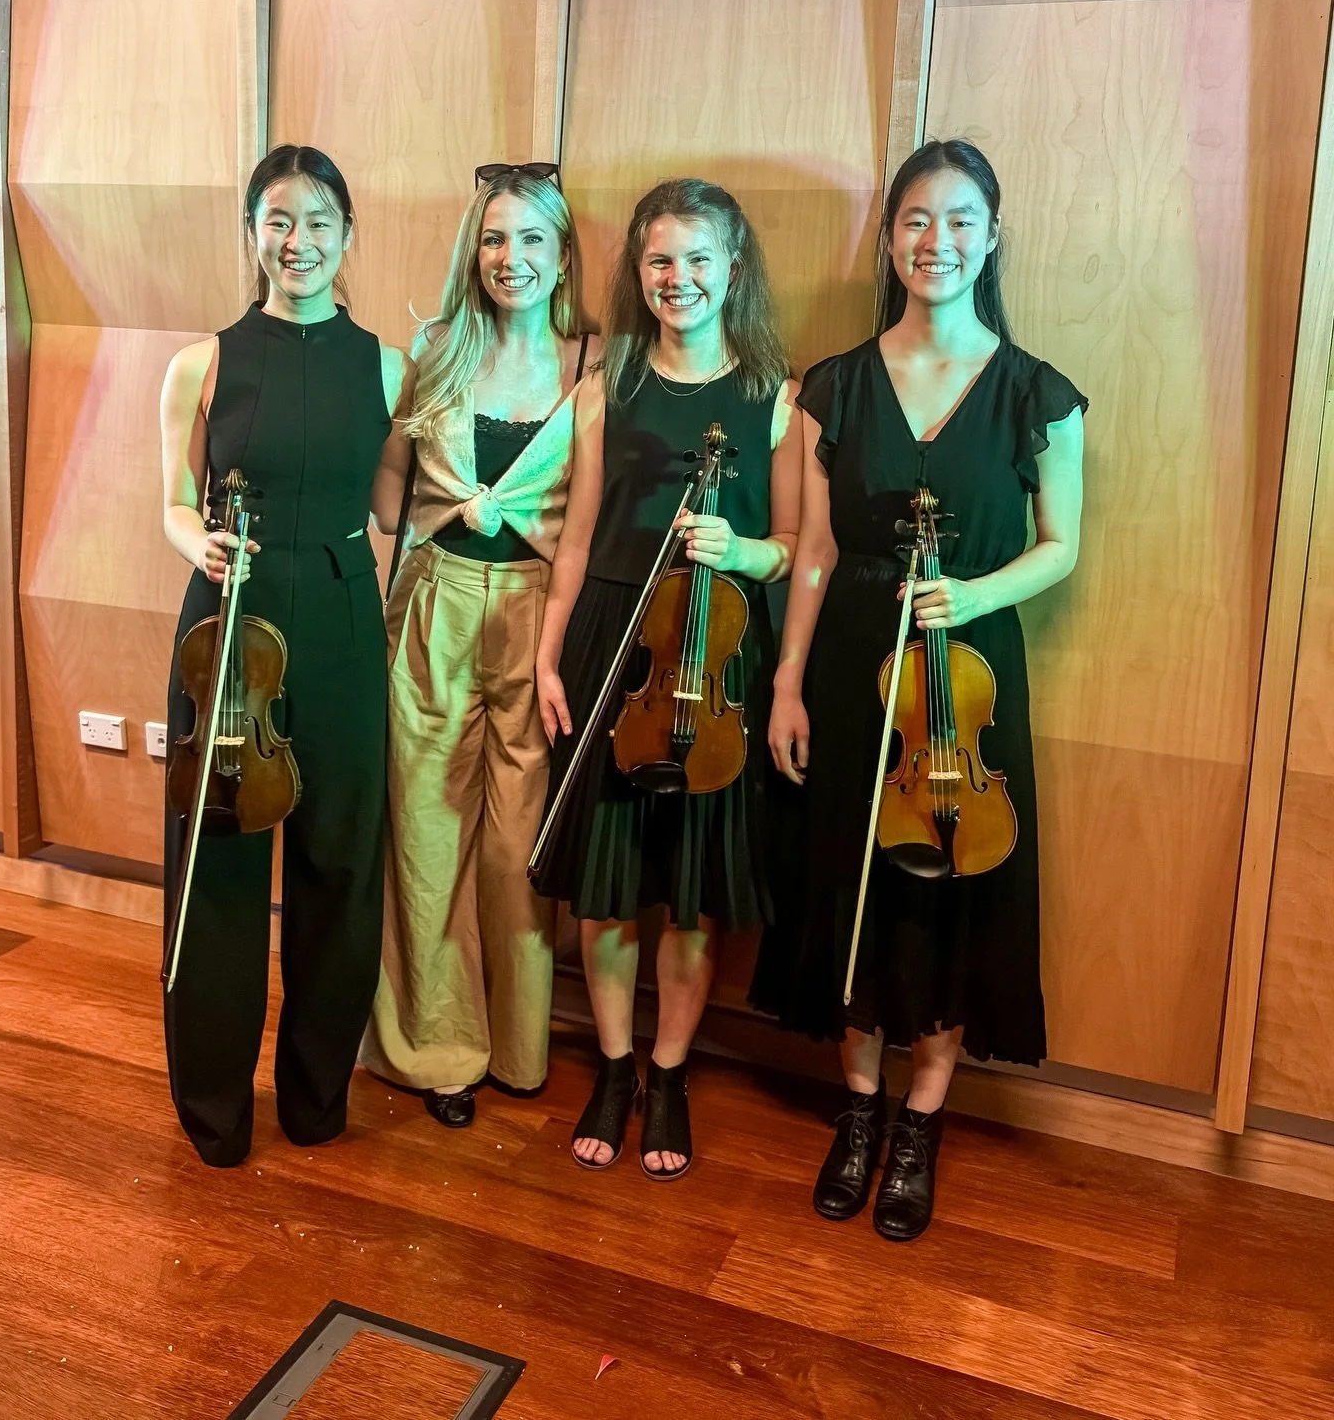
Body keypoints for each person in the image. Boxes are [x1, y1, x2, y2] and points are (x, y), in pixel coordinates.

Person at [760, 138, 1086, 1241]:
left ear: (992, 233)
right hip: (854, 664)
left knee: (949, 888)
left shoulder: (1041, 393)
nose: (933, 241)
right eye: (913, 219)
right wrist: (789, 680)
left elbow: (1061, 546)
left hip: (968, 683)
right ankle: (859, 1110)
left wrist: (976, 587)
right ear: (889, 237)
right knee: (855, 891)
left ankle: (919, 1126)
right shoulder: (833, 386)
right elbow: (808, 548)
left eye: (957, 220)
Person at [533, 179, 800, 1179]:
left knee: (690, 896)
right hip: (614, 637)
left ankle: (673, 1072)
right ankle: (612, 1066)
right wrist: (551, 650)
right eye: (658, 260)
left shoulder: (779, 393)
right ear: (636, 271)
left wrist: (740, 549)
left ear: (733, 267)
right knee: (605, 890)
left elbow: (792, 546)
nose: (676, 278)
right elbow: (577, 534)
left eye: (697, 259)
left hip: (714, 651)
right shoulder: (612, 380)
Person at [159, 145, 406, 1167]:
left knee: (341, 857)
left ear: (347, 234)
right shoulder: (202, 361)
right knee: (216, 856)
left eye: (316, 220)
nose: (296, 239)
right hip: (229, 615)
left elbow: (394, 505)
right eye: (276, 218)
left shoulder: (388, 362)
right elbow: (173, 502)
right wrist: (199, 540)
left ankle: (316, 1093)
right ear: (252, 230)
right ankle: (214, 1104)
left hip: (345, 611)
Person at [359, 163, 598, 1127]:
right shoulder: (435, 348)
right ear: (475, 251)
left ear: (562, 254)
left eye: (534, 239)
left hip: (541, 616)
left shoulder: (594, 365)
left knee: (514, 843)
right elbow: (386, 486)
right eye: (496, 239)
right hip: (434, 605)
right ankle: (435, 1050)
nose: (514, 259)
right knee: (424, 831)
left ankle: (520, 1047)